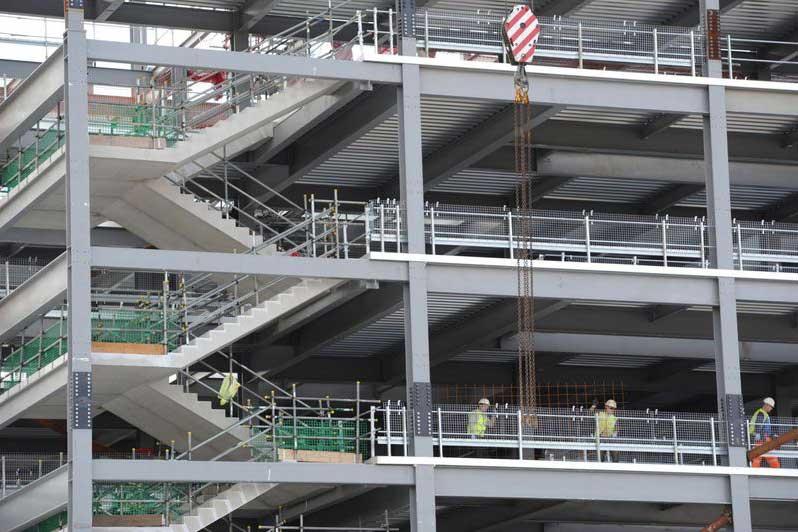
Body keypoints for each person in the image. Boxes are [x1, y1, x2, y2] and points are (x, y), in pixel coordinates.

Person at [749, 397, 780, 468]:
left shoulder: (762, 413)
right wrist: (762, 437)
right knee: (770, 457)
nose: (771, 408)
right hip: (762, 440)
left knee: (759, 457)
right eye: (771, 407)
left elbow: (763, 428)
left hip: (762, 439)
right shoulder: (761, 414)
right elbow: (758, 426)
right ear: (766, 405)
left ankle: (755, 472)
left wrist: (772, 434)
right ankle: (777, 471)